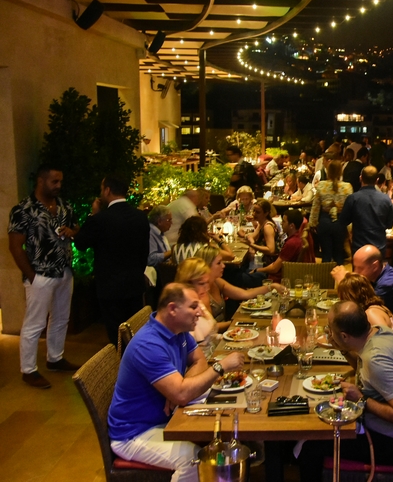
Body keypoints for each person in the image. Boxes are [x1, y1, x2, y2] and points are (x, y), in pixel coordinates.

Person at [108, 283, 246, 481]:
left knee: (221, 436)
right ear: (172, 309)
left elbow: (199, 360)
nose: (200, 312)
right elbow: (182, 393)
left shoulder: (177, 329)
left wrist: (180, 388)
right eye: (193, 306)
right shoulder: (148, 344)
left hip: (165, 419)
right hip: (134, 433)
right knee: (192, 459)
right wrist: (220, 367)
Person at [298, 301, 393, 482]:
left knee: (309, 447)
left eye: (330, 330)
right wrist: (342, 349)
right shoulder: (379, 332)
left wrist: (362, 398)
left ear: (344, 335)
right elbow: (363, 368)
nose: (328, 334)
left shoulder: (377, 360)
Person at [8, 165, 80, 389]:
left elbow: (76, 227)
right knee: (35, 323)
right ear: (41, 181)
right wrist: (31, 276)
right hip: (40, 274)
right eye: (54, 182)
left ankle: (55, 358)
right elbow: (15, 246)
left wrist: (72, 231)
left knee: (60, 318)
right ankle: (28, 370)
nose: (58, 186)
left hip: (64, 271)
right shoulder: (23, 209)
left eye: (60, 182)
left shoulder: (64, 206)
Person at [74, 175, 150, 343]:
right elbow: (144, 251)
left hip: (109, 286)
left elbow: (80, 243)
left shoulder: (100, 219)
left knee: (116, 332)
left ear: (107, 190)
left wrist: (93, 215)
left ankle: (122, 365)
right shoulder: (140, 216)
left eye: (102, 189)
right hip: (134, 283)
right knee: (136, 330)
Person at [332, 244, 393, 337]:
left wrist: (343, 283)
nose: (355, 272)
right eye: (355, 267)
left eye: (360, 268)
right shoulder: (379, 274)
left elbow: (357, 309)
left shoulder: (388, 283)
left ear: (374, 266)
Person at [336, 272, 393, 356]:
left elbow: (386, 348)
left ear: (351, 298)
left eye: (342, 300)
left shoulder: (371, 314)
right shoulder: (378, 306)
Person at [339, 166, 393, 258]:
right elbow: (389, 224)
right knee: (378, 272)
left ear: (360, 178)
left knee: (358, 272)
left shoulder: (353, 198)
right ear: (377, 180)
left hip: (359, 246)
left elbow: (343, 221)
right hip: (379, 246)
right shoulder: (386, 199)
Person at [309, 160, 353, 265]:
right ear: (341, 172)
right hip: (340, 222)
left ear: (328, 172)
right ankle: (340, 279)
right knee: (339, 255)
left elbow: (316, 206)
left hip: (324, 221)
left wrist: (312, 223)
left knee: (326, 255)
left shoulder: (321, 185)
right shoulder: (347, 187)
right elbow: (350, 208)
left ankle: (326, 279)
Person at [253, 208, 314, 282]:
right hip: (277, 273)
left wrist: (257, 270)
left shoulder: (292, 243)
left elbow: (274, 269)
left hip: (276, 279)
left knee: (242, 276)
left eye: (284, 221)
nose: (281, 224)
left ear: (291, 226)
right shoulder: (296, 237)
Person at [246, 198, 281, 264]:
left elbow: (271, 250)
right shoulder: (261, 223)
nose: (254, 214)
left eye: (258, 212)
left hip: (268, 264)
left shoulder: (267, 227)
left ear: (266, 213)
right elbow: (252, 237)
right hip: (262, 260)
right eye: (254, 211)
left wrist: (252, 245)